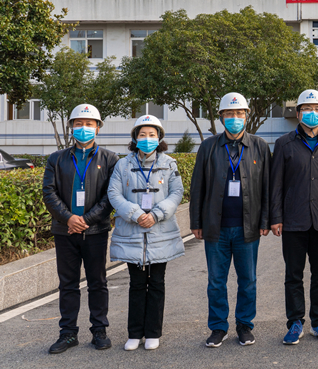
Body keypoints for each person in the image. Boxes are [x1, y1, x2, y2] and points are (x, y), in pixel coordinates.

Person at [190, 93, 271, 348]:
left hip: (249, 227)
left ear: (246, 116)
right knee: (216, 282)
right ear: (221, 117)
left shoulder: (259, 146)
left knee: (248, 280)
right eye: (229, 114)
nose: (234, 118)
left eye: (239, 113)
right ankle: (218, 327)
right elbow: (197, 187)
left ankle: (245, 325)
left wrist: (265, 221)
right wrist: (196, 222)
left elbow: (267, 187)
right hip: (216, 228)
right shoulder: (209, 147)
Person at [270, 89, 318, 345]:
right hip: (293, 221)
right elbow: (276, 184)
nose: (312, 113)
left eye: (317, 109)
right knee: (293, 275)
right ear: (298, 113)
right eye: (307, 109)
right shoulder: (284, 144)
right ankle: (295, 322)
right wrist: (276, 217)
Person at [42, 104, 119, 354]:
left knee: (98, 282)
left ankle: (99, 330)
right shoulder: (56, 158)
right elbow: (49, 192)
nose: (83, 128)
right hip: (65, 231)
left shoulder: (110, 159)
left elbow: (111, 196)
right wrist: (68, 218)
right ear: (71, 127)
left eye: (89, 124)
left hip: (95, 231)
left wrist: (86, 220)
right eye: (78, 123)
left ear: (98, 127)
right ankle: (67, 334)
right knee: (68, 284)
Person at [107, 115, 185, 351]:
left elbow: (176, 193)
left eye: (152, 135)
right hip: (132, 232)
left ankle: (153, 332)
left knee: (157, 283)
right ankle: (134, 333)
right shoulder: (123, 164)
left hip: (160, 232)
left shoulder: (169, 164)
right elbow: (114, 193)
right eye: (142, 135)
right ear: (135, 138)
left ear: (159, 138)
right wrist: (135, 214)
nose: (147, 139)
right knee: (137, 284)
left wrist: (156, 214)